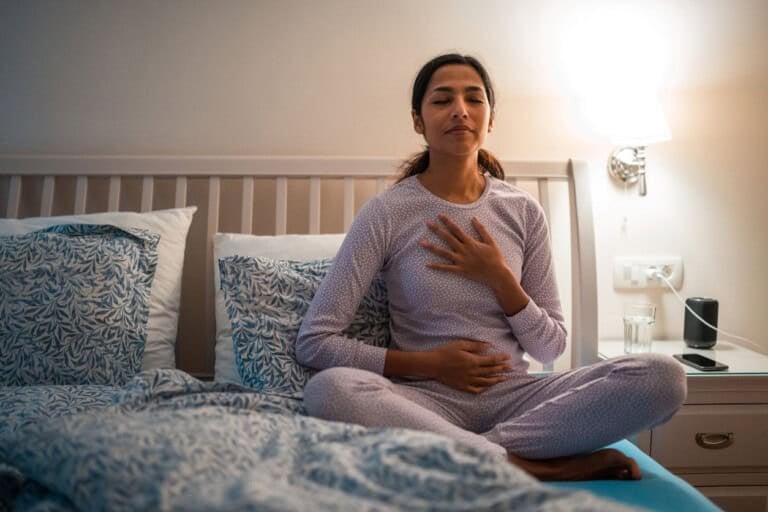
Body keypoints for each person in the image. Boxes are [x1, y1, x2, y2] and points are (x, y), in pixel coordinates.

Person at [296, 53, 686, 481]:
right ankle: (530, 466)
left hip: (518, 402)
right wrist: (430, 364)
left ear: (491, 118)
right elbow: (316, 341)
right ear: (418, 121)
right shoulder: (387, 213)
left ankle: (470, 453)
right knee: (329, 389)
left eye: (473, 99)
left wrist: (499, 277)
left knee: (662, 377)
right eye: (442, 100)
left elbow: (549, 349)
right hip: (424, 404)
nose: (460, 110)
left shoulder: (523, 211)